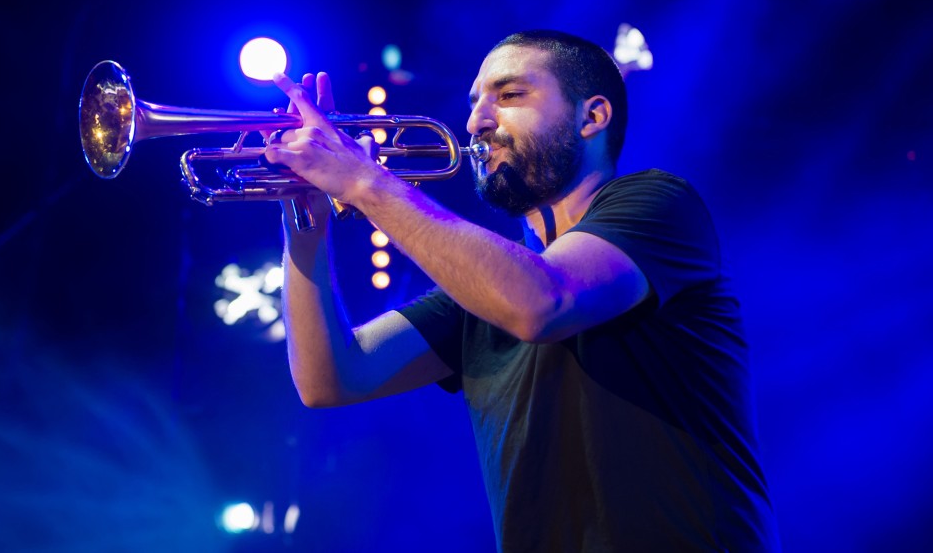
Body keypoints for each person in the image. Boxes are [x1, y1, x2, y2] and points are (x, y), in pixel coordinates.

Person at [262, 30, 779, 552]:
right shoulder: (480, 292)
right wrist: (305, 218)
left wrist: (364, 183)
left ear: (591, 117)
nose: (476, 121)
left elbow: (541, 303)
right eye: (475, 103)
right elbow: (330, 379)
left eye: (508, 96)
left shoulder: (659, 203)